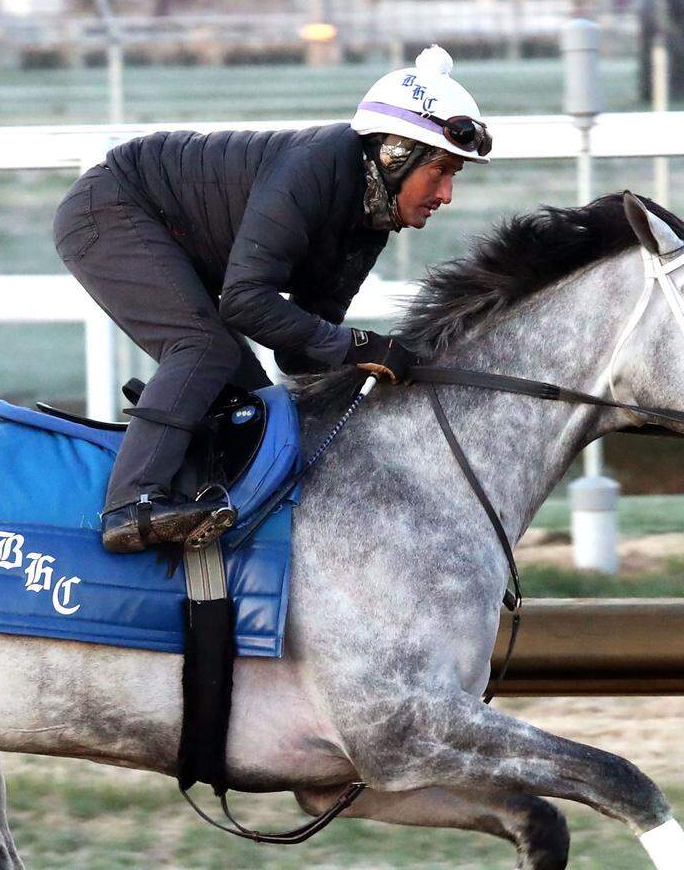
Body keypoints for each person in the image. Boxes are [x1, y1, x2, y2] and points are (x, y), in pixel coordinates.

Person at [52, 45, 492, 554]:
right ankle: (132, 505)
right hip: (110, 207)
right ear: (396, 154)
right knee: (204, 349)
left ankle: (202, 509)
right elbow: (244, 303)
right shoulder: (313, 169)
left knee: (257, 400)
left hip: (165, 228)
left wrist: (380, 368)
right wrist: (360, 346)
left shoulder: (369, 221)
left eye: (454, 176)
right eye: (440, 171)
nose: (446, 194)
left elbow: (299, 351)